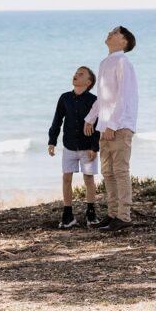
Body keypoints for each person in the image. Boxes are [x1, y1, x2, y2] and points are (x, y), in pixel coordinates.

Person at [83, 25, 139, 232]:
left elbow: (123, 96)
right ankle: (113, 214)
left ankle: (123, 216)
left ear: (123, 42)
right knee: (108, 172)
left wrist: (113, 124)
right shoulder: (105, 62)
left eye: (115, 32)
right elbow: (104, 96)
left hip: (120, 126)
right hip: (105, 127)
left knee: (120, 171)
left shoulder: (123, 62)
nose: (110, 33)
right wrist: (90, 119)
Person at [47, 66, 100, 229]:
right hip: (69, 146)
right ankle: (68, 214)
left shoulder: (94, 100)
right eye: (76, 73)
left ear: (88, 82)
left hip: (87, 147)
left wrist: (94, 147)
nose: (76, 75)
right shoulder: (64, 98)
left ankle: (91, 213)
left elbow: (98, 125)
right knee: (66, 178)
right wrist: (52, 141)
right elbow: (57, 120)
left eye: (81, 74)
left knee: (89, 179)